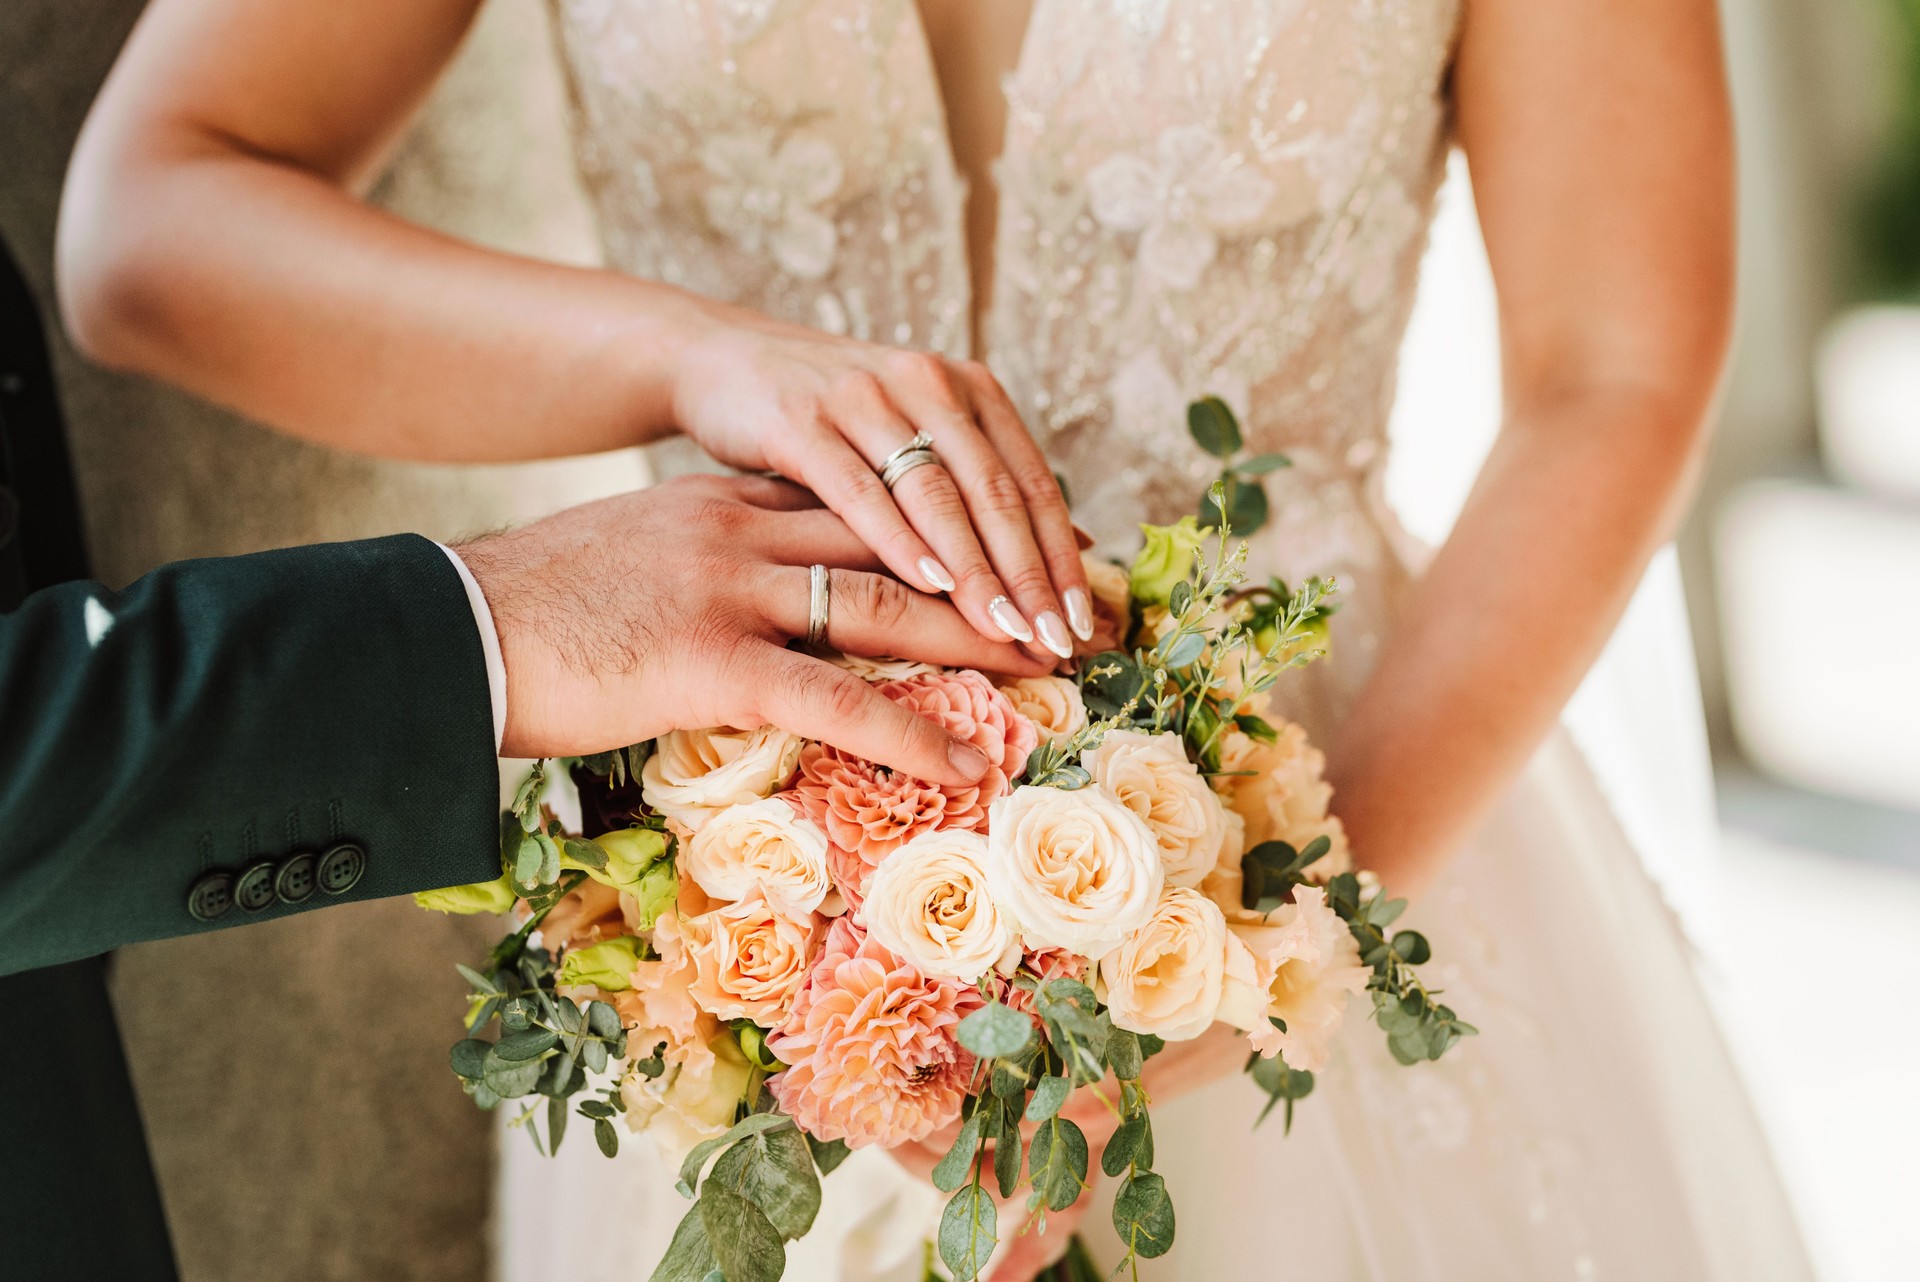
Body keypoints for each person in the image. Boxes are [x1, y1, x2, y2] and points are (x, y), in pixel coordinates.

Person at [55, 1, 1815, 1279]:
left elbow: (1614, 365)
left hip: (1356, 790)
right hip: (740, 862)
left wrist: (1273, 907)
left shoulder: (1314, 869)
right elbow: (154, 221)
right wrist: (694, 358)